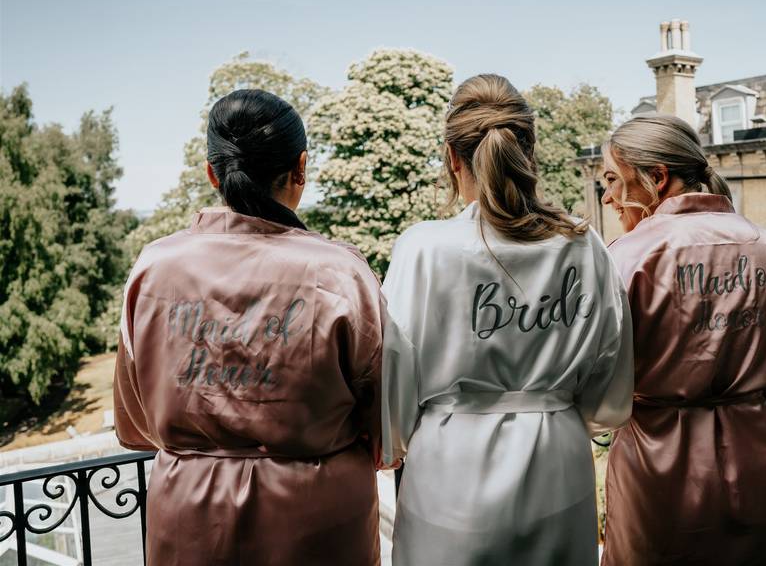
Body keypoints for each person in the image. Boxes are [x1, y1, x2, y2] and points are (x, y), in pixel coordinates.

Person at [113, 89, 384, 566]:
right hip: (317, 520)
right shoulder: (340, 273)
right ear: (300, 168)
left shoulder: (153, 268)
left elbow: (134, 422)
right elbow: (386, 421)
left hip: (189, 517)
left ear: (212, 172)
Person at [380, 74, 634, 566]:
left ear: (452, 159)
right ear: (529, 153)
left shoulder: (424, 247)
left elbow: (394, 368)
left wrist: (397, 437)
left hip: (449, 465)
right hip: (558, 458)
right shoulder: (584, 245)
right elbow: (610, 381)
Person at [598, 114, 766, 565]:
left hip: (659, 463)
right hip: (756, 458)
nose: (607, 197)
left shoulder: (628, 255)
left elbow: (598, 385)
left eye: (614, 180)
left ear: (656, 177)